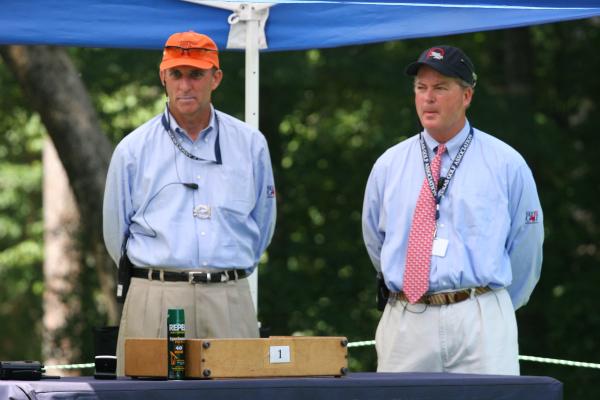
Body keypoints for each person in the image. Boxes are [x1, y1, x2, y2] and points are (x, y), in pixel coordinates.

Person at [362, 45, 543, 375]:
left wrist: (491, 303)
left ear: (467, 96)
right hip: (407, 316)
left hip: (480, 314)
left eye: (441, 87)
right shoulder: (389, 165)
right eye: (421, 88)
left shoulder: (506, 164)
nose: (428, 98)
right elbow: (376, 241)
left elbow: (526, 249)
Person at [103, 31, 276, 375]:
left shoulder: (250, 145)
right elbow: (114, 235)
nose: (186, 85)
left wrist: (225, 274)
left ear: (216, 78)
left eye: (196, 74)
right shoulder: (133, 150)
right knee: (150, 394)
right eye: (177, 74)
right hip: (157, 296)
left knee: (238, 394)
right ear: (163, 77)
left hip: (229, 296)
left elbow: (263, 227)